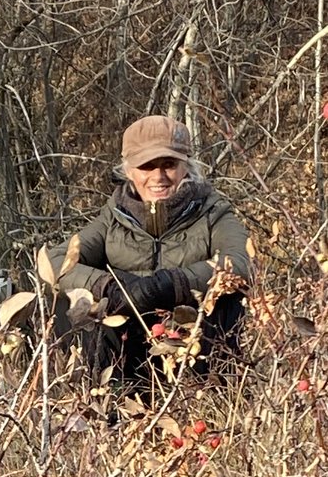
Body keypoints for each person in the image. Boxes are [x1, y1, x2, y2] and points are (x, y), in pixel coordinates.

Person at [46, 115, 250, 381]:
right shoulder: (111, 218)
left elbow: (241, 261)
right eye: (146, 166)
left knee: (229, 300)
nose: (159, 177)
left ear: (185, 167)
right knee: (65, 300)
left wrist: (172, 283)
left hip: (191, 343)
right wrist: (110, 287)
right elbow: (55, 260)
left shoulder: (213, 213)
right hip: (125, 344)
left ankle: (212, 394)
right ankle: (103, 401)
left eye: (168, 165)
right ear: (128, 171)